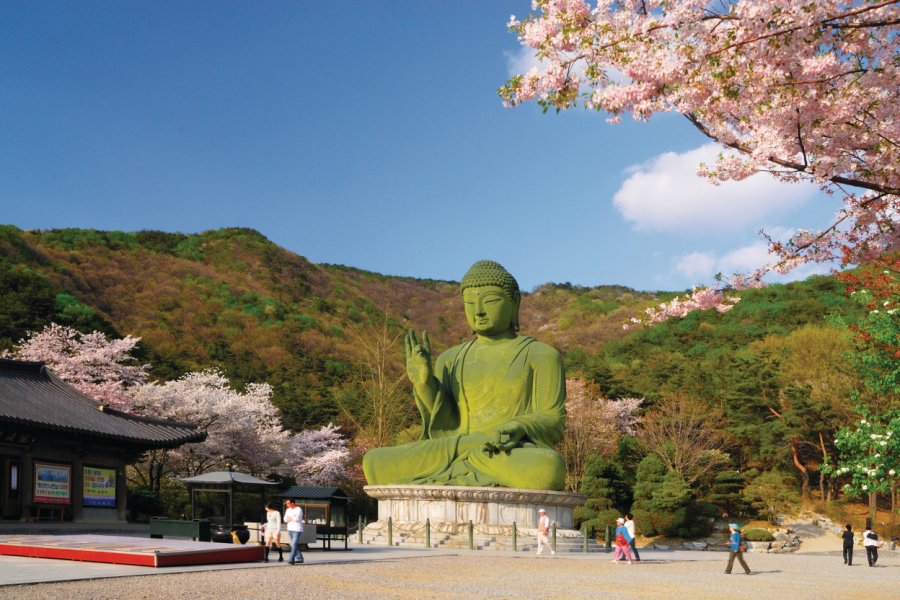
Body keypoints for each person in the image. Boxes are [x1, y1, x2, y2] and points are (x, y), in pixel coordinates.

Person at [362, 260, 567, 490]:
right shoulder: (450, 359)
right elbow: (445, 425)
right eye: (470, 303)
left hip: (504, 452)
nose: (478, 311)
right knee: (374, 460)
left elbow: (553, 420)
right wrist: (425, 384)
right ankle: (462, 466)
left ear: (515, 302)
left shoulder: (541, 355)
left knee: (548, 468)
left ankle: (453, 471)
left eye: (490, 301)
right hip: (454, 448)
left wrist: (519, 426)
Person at [283, 499, 304, 565]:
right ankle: (300, 558)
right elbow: (285, 519)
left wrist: (290, 518)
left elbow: (297, 519)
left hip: (297, 529)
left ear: (292, 503)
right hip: (290, 529)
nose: (287, 505)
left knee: (294, 544)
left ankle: (291, 559)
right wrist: (291, 518)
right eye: (286, 503)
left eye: (288, 503)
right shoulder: (288, 510)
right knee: (292, 545)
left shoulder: (298, 509)